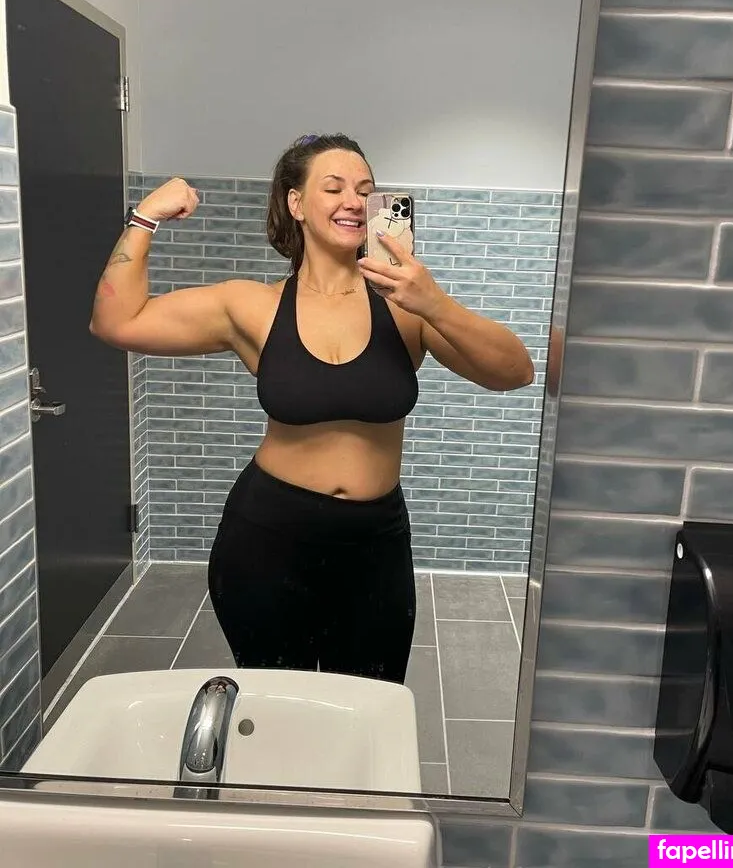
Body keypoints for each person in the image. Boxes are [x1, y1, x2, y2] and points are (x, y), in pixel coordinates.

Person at [90, 133, 535, 684]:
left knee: (368, 703)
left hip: (375, 544)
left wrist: (434, 303)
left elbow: (514, 372)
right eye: (334, 187)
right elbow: (116, 322)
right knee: (277, 704)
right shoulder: (250, 305)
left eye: (365, 190)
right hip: (267, 537)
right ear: (296, 203)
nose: (353, 201)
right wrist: (146, 216)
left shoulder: (407, 307)